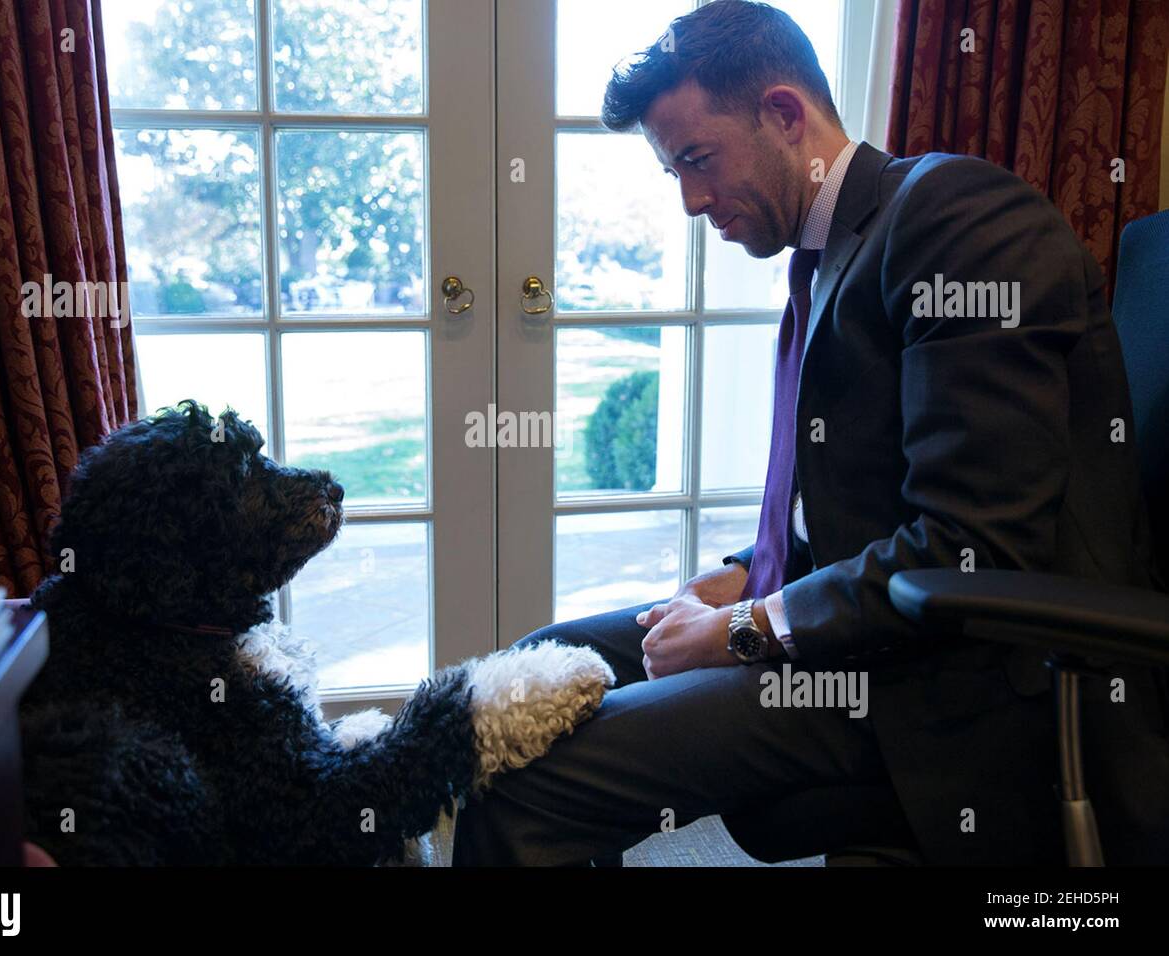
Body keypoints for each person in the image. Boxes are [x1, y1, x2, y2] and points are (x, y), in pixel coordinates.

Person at [452, 0, 1169, 866]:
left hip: (951, 682)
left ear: (785, 115)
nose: (688, 200)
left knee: (531, 777)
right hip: (869, 632)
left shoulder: (958, 218)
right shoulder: (829, 254)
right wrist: (747, 574)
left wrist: (744, 627)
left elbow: (973, 546)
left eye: (696, 159)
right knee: (535, 666)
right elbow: (864, 493)